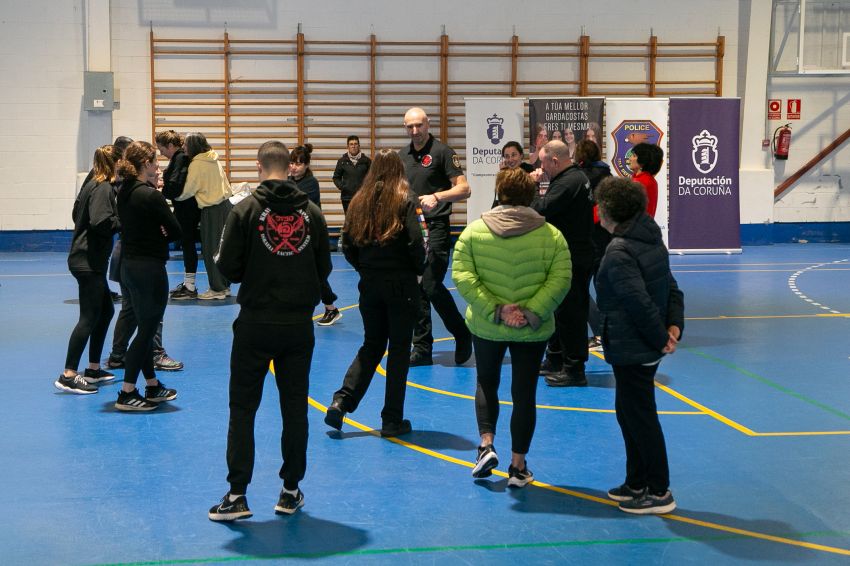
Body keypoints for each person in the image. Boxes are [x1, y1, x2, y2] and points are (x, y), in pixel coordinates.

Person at [208, 140, 332, 522]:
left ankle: (237, 494)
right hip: (297, 325)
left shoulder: (244, 210)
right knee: (294, 409)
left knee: (242, 408)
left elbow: (227, 267)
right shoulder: (312, 212)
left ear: (259, 166)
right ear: (290, 166)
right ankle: (290, 490)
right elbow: (324, 266)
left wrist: (257, 270)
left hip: (256, 323)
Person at [453, 168, 571, 487]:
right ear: (531, 195)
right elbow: (561, 279)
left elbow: (463, 276)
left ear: (498, 192)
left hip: (487, 326)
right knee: (524, 394)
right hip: (532, 330)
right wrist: (530, 312)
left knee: (486, 383)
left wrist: (497, 310)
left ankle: (485, 445)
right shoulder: (552, 236)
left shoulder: (473, 233)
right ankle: (518, 466)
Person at [594, 176, 684, 514]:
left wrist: (662, 338)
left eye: (600, 206)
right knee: (628, 412)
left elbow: (638, 302)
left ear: (610, 210)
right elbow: (671, 287)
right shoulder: (649, 236)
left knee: (640, 417)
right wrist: (675, 324)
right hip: (640, 344)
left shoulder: (619, 251)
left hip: (634, 345)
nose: (597, 211)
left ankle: (659, 491)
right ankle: (636, 482)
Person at [323, 149, 427, 438]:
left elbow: (347, 244)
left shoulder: (358, 201)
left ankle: (341, 401)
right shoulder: (406, 200)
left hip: (369, 284)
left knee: (371, 346)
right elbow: (418, 243)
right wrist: (418, 271)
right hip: (401, 285)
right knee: (398, 352)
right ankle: (392, 419)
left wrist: (365, 269)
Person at [398, 107, 473, 367]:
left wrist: (438, 196)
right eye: (410, 127)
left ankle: (461, 333)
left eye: (419, 125)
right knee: (416, 289)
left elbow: (465, 188)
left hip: (437, 227)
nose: (415, 131)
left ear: (428, 124)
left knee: (429, 284)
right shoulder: (402, 156)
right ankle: (422, 348)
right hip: (411, 230)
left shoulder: (443, 152)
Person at [114, 141, 181, 411]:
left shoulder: (125, 191)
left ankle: (151, 385)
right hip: (149, 269)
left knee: (144, 328)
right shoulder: (151, 195)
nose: (157, 165)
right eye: (154, 161)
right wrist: (163, 231)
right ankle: (127, 391)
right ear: (145, 164)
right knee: (147, 331)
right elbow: (175, 231)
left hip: (129, 266)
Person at [55, 145, 122, 395]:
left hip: (86, 259)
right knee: (89, 317)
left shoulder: (91, 184)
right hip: (87, 262)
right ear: (115, 163)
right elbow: (100, 222)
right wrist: (123, 219)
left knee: (105, 311)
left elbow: (76, 214)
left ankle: (93, 369)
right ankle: (68, 374)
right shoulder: (104, 188)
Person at [530, 140, 594, 387]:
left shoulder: (569, 182)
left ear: (554, 161)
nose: (541, 168)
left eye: (543, 162)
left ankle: (575, 368)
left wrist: (534, 187)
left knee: (571, 313)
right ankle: (556, 358)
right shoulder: (576, 176)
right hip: (571, 252)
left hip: (574, 256)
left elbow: (541, 209)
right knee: (560, 310)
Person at [289, 144, 342, 326]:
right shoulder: (288, 181)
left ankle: (331, 308)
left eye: (299, 164)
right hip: (295, 236)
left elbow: (299, 204)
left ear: (306, 165)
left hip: (313, 236)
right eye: (292, 163)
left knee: (316, 274)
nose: (294, 167)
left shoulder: (311, 183)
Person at [176, 132, 233, 300]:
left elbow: (189, 190)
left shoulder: (197, 164)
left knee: (210, 250)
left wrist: (172, 195)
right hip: (226, 206)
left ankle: (217, 289)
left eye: (185, 144)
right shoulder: (213, 158)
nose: (183, 148)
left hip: (212, 209)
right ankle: (224, 285)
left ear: (192, 146)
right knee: (222, 249)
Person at [575, 139, 612, 352]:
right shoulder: (607, 175)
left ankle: (599, 332)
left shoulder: (580, 178)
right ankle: (606, 333)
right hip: (606, 238)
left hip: (587, 239)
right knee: (603, 289)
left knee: (578, 287)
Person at [156, 130, 199, 300]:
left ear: (171, 146)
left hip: (187, 208)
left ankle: (190, 286)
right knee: (186, 244)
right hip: (185, 207)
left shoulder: (180, 158)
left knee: (187, 244)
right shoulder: (178, 158)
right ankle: (189, 284)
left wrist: (162, 191)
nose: (161, 153)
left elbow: (175, 185)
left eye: (162, 149)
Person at [332, 135, 371, 215]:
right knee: (349, 221)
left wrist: (367, 189)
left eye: (356, 144)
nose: (353, 146)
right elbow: (336, 178)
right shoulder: (342, 161)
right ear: (348, 146)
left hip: (363, 197)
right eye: (351, 144)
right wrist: (343, 187)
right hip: (347, 198)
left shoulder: (367, 161)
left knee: (362, 221)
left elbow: (372, 177)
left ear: (359, 146)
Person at [494, 141, 536, 207]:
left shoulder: (529, 172)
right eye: (507, 156)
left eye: (513, 155)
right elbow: (499, 199)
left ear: (521, 156)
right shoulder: (504, 173)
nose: (510, 159)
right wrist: (503, 174)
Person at [628, 143, 664, 217]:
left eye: (634, 156)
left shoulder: (642, 181)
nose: (630, 158)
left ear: (643, 161)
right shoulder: (645, 179)